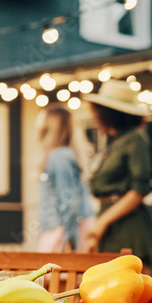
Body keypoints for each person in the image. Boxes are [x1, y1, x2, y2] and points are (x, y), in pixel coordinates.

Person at [83, 79, 152, 267]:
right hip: (108, 224)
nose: (94, 117)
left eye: (97, 111)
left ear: (109, 114)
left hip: (128, 226)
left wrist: (102, 223)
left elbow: (139, 190)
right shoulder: (113, 143)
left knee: (132, 287)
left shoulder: (135, 140)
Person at [35, 105, 96, 252]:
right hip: (63, 228)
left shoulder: (60, 157)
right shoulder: (60, 156)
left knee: (55, 275)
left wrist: (69, 239)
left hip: (62, 231)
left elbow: (69, 200)